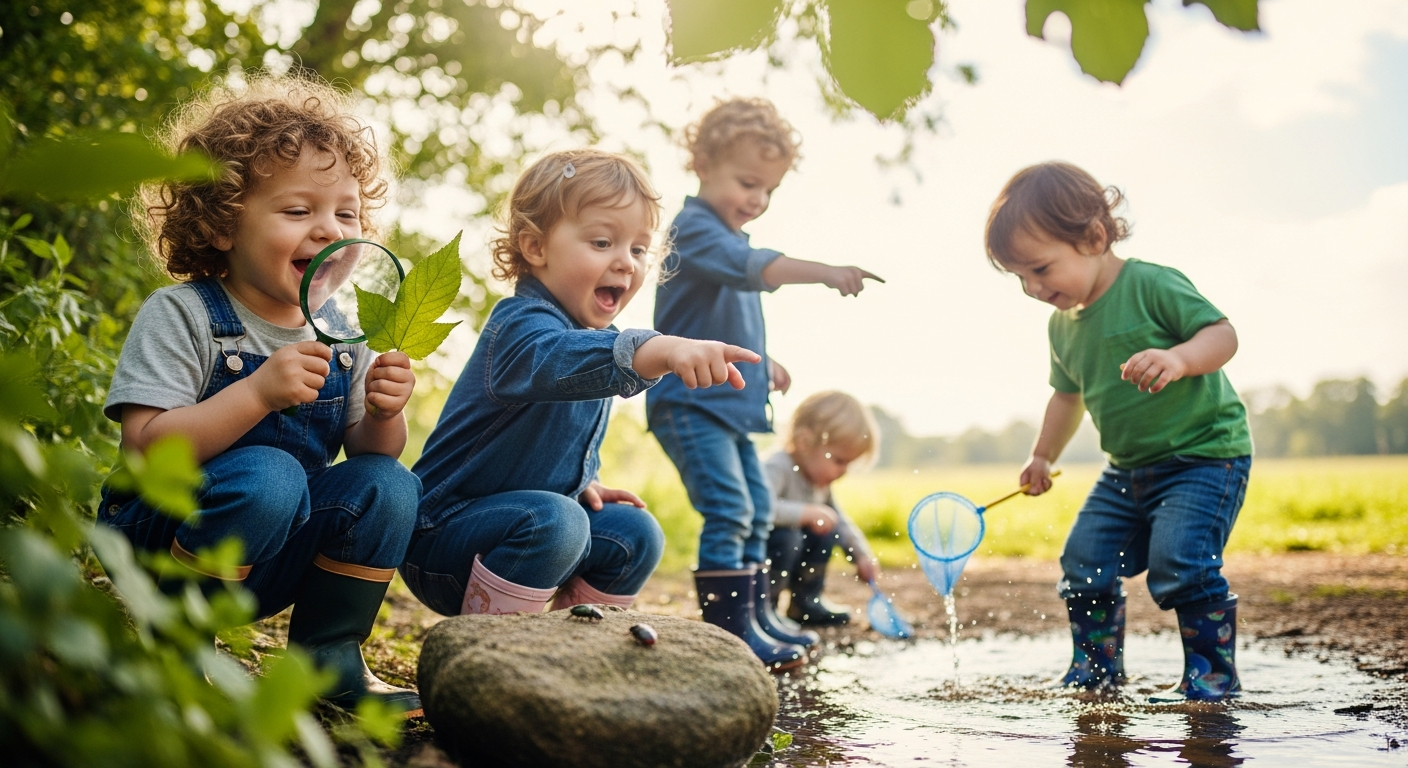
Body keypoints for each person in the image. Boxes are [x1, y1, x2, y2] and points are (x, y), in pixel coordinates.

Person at [101, 76, 422, 714]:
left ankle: (329, 658)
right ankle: (176, 645)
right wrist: (256, 393)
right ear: (222, 226)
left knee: (389, 483)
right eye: (298, 211)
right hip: (162, 540)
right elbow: (143, 451)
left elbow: (368, 447)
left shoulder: (344, 328)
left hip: (273, 551)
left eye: (347, 213)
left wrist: (387, 410)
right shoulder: (184, 314)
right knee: (272, 473)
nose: (329, 229)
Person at [404, 149, 758, 623]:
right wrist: (661, 349)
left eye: (637, 249)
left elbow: (547, 429)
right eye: (602, 243)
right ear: (535, 248)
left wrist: (581, 479)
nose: (627, 263)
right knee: (559, 520)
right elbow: (551, 363)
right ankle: (493, 658)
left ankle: (572, 650)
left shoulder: (590, 343)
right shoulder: (519, 324)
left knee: (635, 532)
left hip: (528, 527)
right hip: (443, 540)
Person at [985, 161, 1253, 702]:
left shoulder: (1151, 285)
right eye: (1020, 278)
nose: (1032, 288)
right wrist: (1041, 455)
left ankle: (1212, 676)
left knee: (1183, 563)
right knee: (1084, 561)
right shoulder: (1062, 326)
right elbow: (1066, 395)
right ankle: (1096, 670)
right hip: (1127, 470)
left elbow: (1222, 335)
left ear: (1094, 237)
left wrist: (1179, 358)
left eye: (1040, 268)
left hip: (1203, 459)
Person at [647, 98, 883, 670]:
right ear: (703, 163)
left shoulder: (723, 238)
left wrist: (764, 361)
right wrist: (826, 272)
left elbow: (725, 316)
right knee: (730, 507)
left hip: (727, 407)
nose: (757, 201)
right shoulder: (696, 230)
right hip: (690, 404)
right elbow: (755, 269)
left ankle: (756, 617)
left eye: (768, 191)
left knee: (754, 505)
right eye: (748, 183)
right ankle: (729, 634)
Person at [765, 391, 881, 628]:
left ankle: (805, 602)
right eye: (839, 461)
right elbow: (760, 508)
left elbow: (840, 521)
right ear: (804, 442)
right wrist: (806, 513)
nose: (843, 471)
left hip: (792, 550)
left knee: (827, 527)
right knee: (790, 536)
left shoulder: (819, 483)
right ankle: (766, 607)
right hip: (763, 554)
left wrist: (860, 555)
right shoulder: (777, 467)